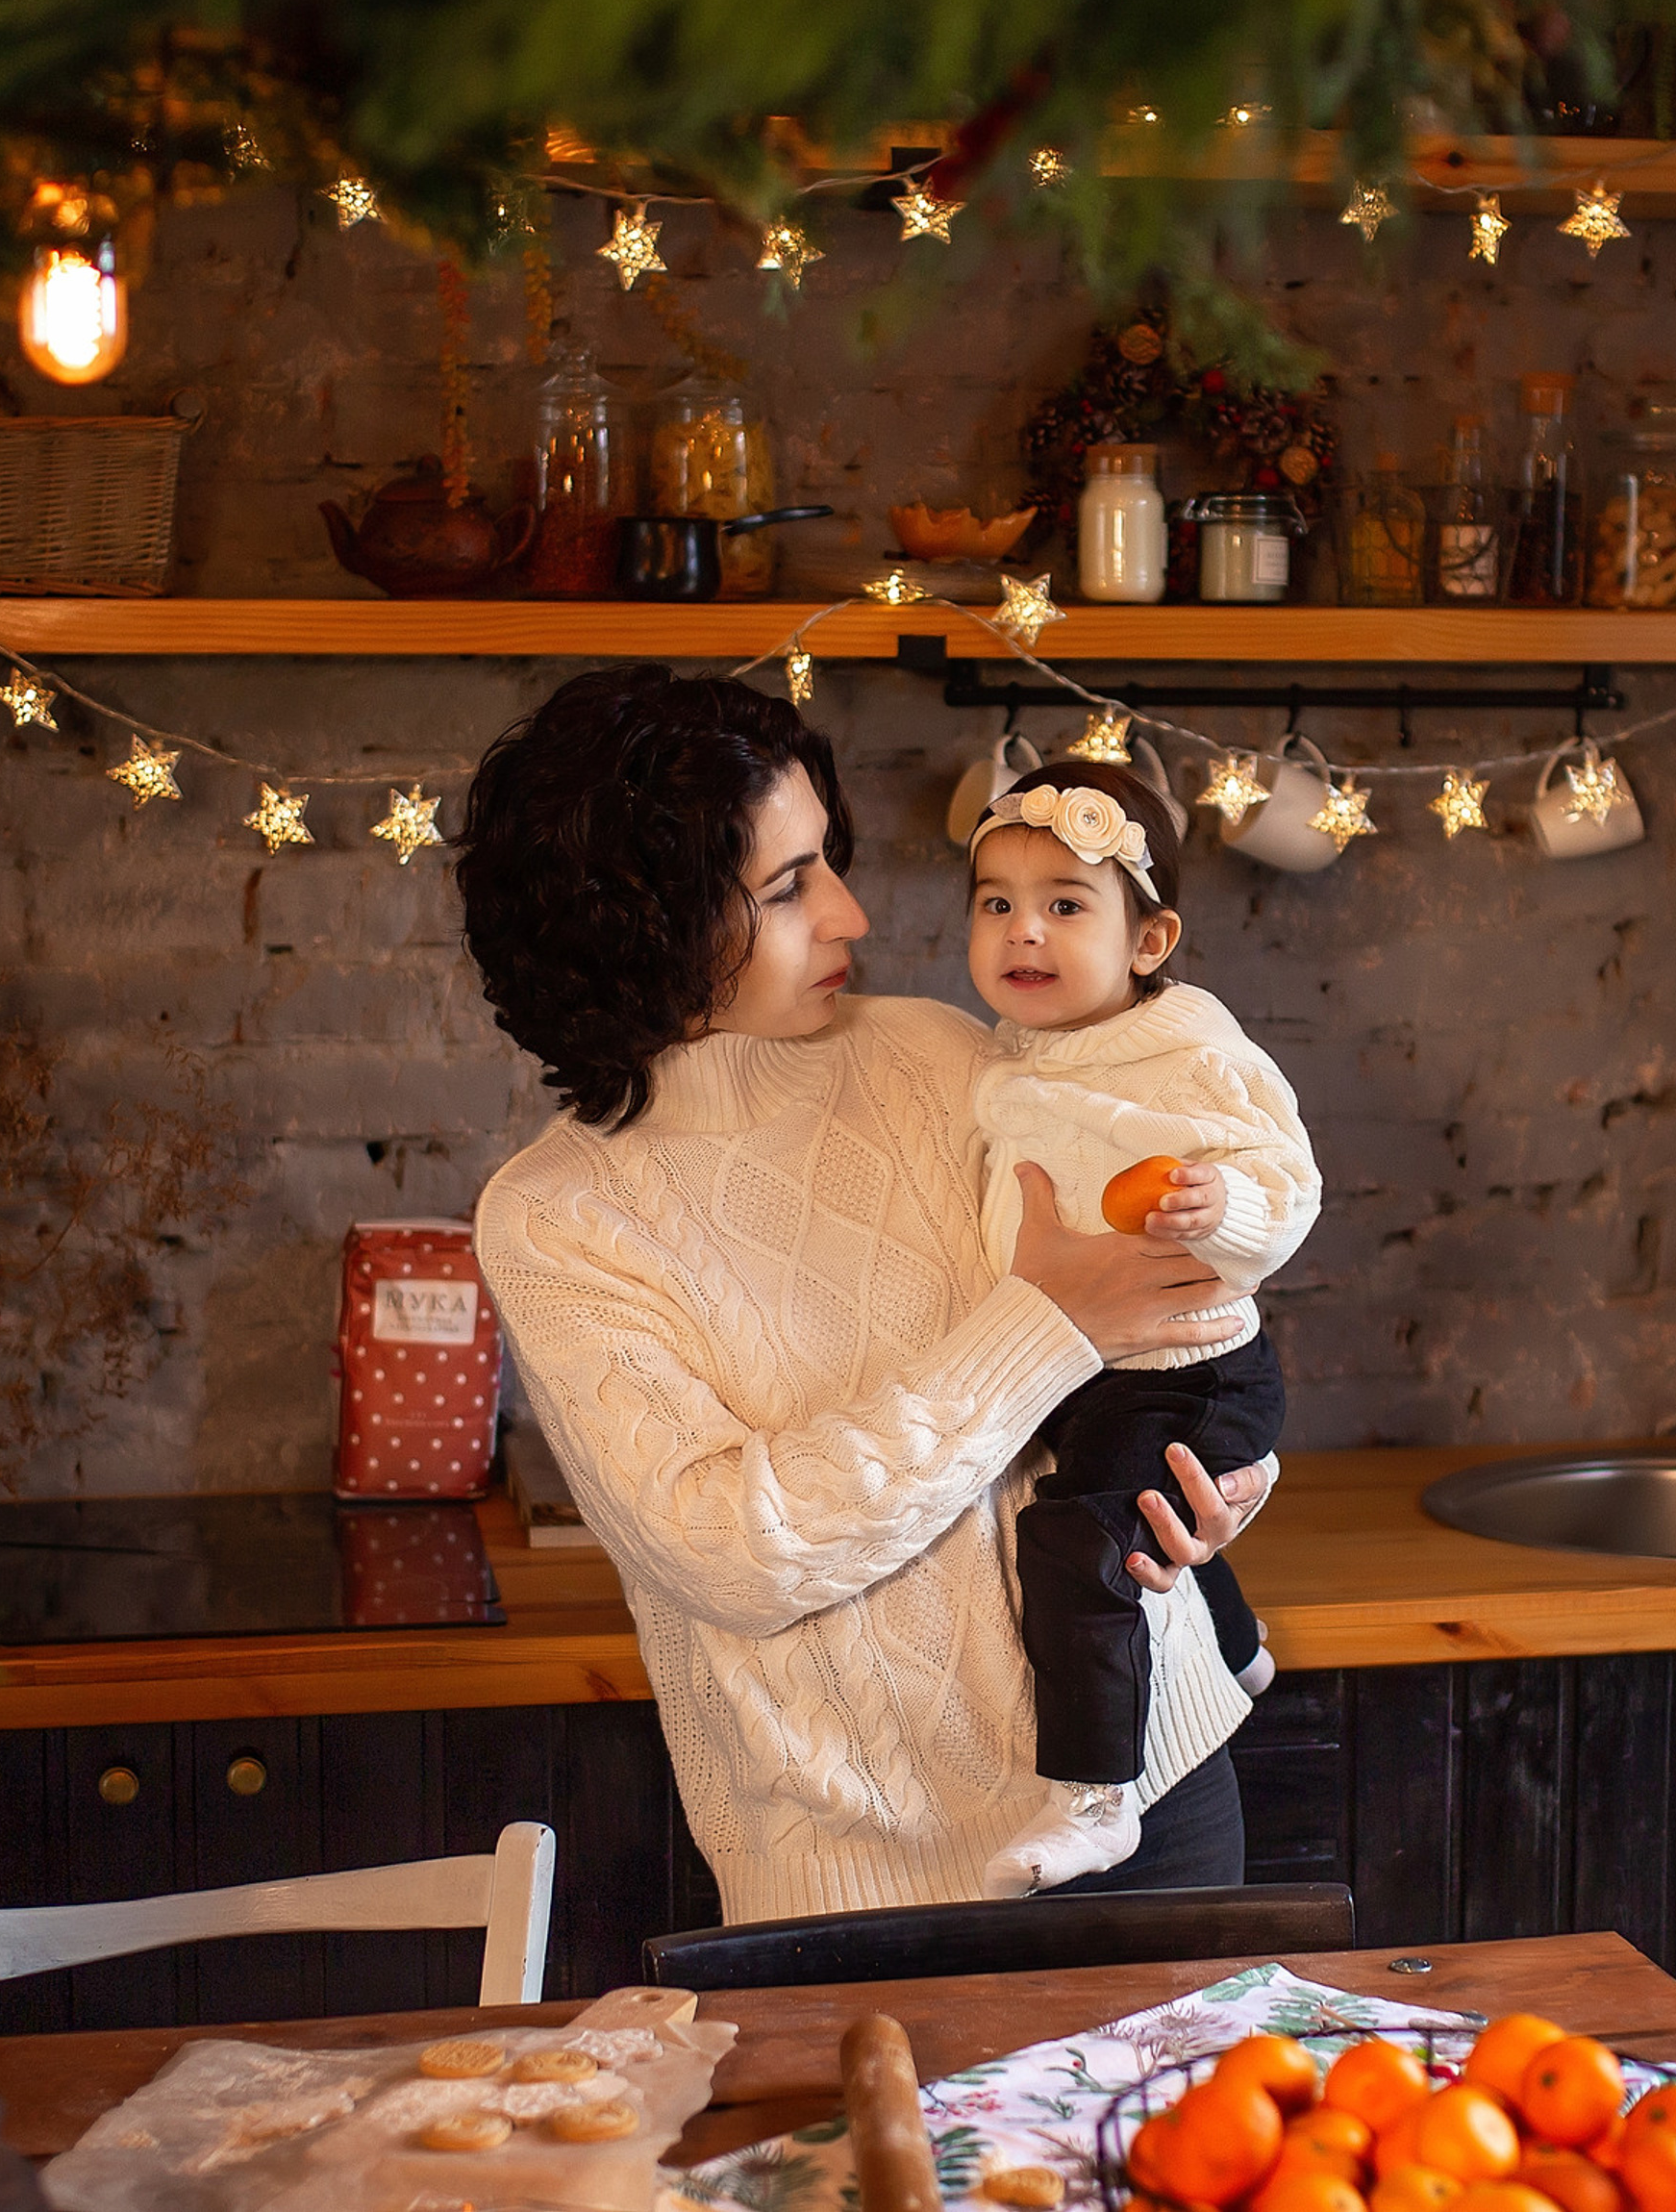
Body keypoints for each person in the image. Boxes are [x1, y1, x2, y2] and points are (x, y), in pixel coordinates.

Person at [460, 666, 1275, 1923]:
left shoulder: (940, 1059)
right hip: (863, 1883)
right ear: (648, 924)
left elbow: (1158, 1296)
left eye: (827, 860)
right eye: (789, 887)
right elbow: (733, 1550)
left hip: (1158, 1800)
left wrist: (1211, 1474)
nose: (850, 914)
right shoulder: (558, 1218)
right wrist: (1041, 1330)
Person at [962, 761, 1318, 1897]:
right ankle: (1239, 1646)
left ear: (1149, 939)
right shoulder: (1017, 1047)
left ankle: (1097, 1796)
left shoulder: (1190, 1049)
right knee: (1141, 1507)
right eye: (996, 903)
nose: (1025, 931)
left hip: (1191, 1368)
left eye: (1066, 904)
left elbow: (1289, 1180)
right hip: (1100, 1367)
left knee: (1078, 1541)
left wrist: (1230, 1206)